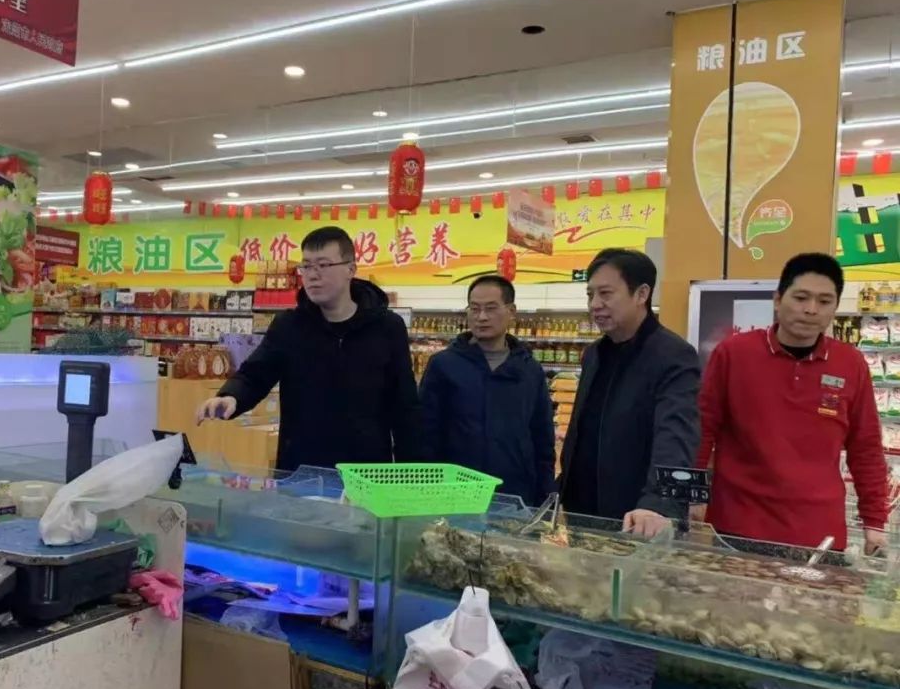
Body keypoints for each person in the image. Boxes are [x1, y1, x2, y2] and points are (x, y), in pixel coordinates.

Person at [695, 253, 889, 553]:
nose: (811, 309)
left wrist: (874, 522)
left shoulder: (851, 364)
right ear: (777, 300)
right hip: (738, 525)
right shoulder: (733, 353)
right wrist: (691, 495)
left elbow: (866, 447)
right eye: (801, 297)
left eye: (824, 301)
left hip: (819, 533)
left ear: (835, 307)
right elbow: (703, 429)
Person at [196, 226, 423, 471]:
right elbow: (255, 374)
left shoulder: (387, 328)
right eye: (306, 266)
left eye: (323, 265)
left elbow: (405, 407)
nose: (312, 275)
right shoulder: (289, 326)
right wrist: (231, 396)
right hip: (300, 472)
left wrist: (411, 474)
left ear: (350, 269)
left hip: (365, 474)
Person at [560, 248, 701, 536]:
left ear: (641, 294)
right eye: (590, 294)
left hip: (639, 518)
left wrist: (659, 504)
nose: (595, 304)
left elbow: (677, 436)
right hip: (582, 512)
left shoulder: (674, 355)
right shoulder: (594, 354)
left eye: (606, 294)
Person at [419, 275, 556, 506]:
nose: (481, 317)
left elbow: (542, 437)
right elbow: (425, 433)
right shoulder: (444, 365)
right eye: (474, 309)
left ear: (511, 311)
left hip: (515, 494)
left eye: (491, 308)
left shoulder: (529, 370)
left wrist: (546, 495)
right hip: (456, 493)